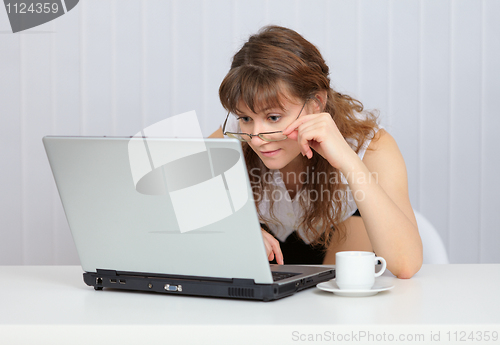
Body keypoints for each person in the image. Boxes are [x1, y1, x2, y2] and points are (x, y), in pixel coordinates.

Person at [210, 25, 422, 278]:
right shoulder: (234, 137)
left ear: (315, 104)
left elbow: (405, 264)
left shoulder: (371, 146)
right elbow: (177, 215)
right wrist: (236, 229)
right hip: (271, 266)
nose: (257, 138)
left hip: (340, 252)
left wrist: (348, 160)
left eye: (274, 117)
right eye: (245, 117)